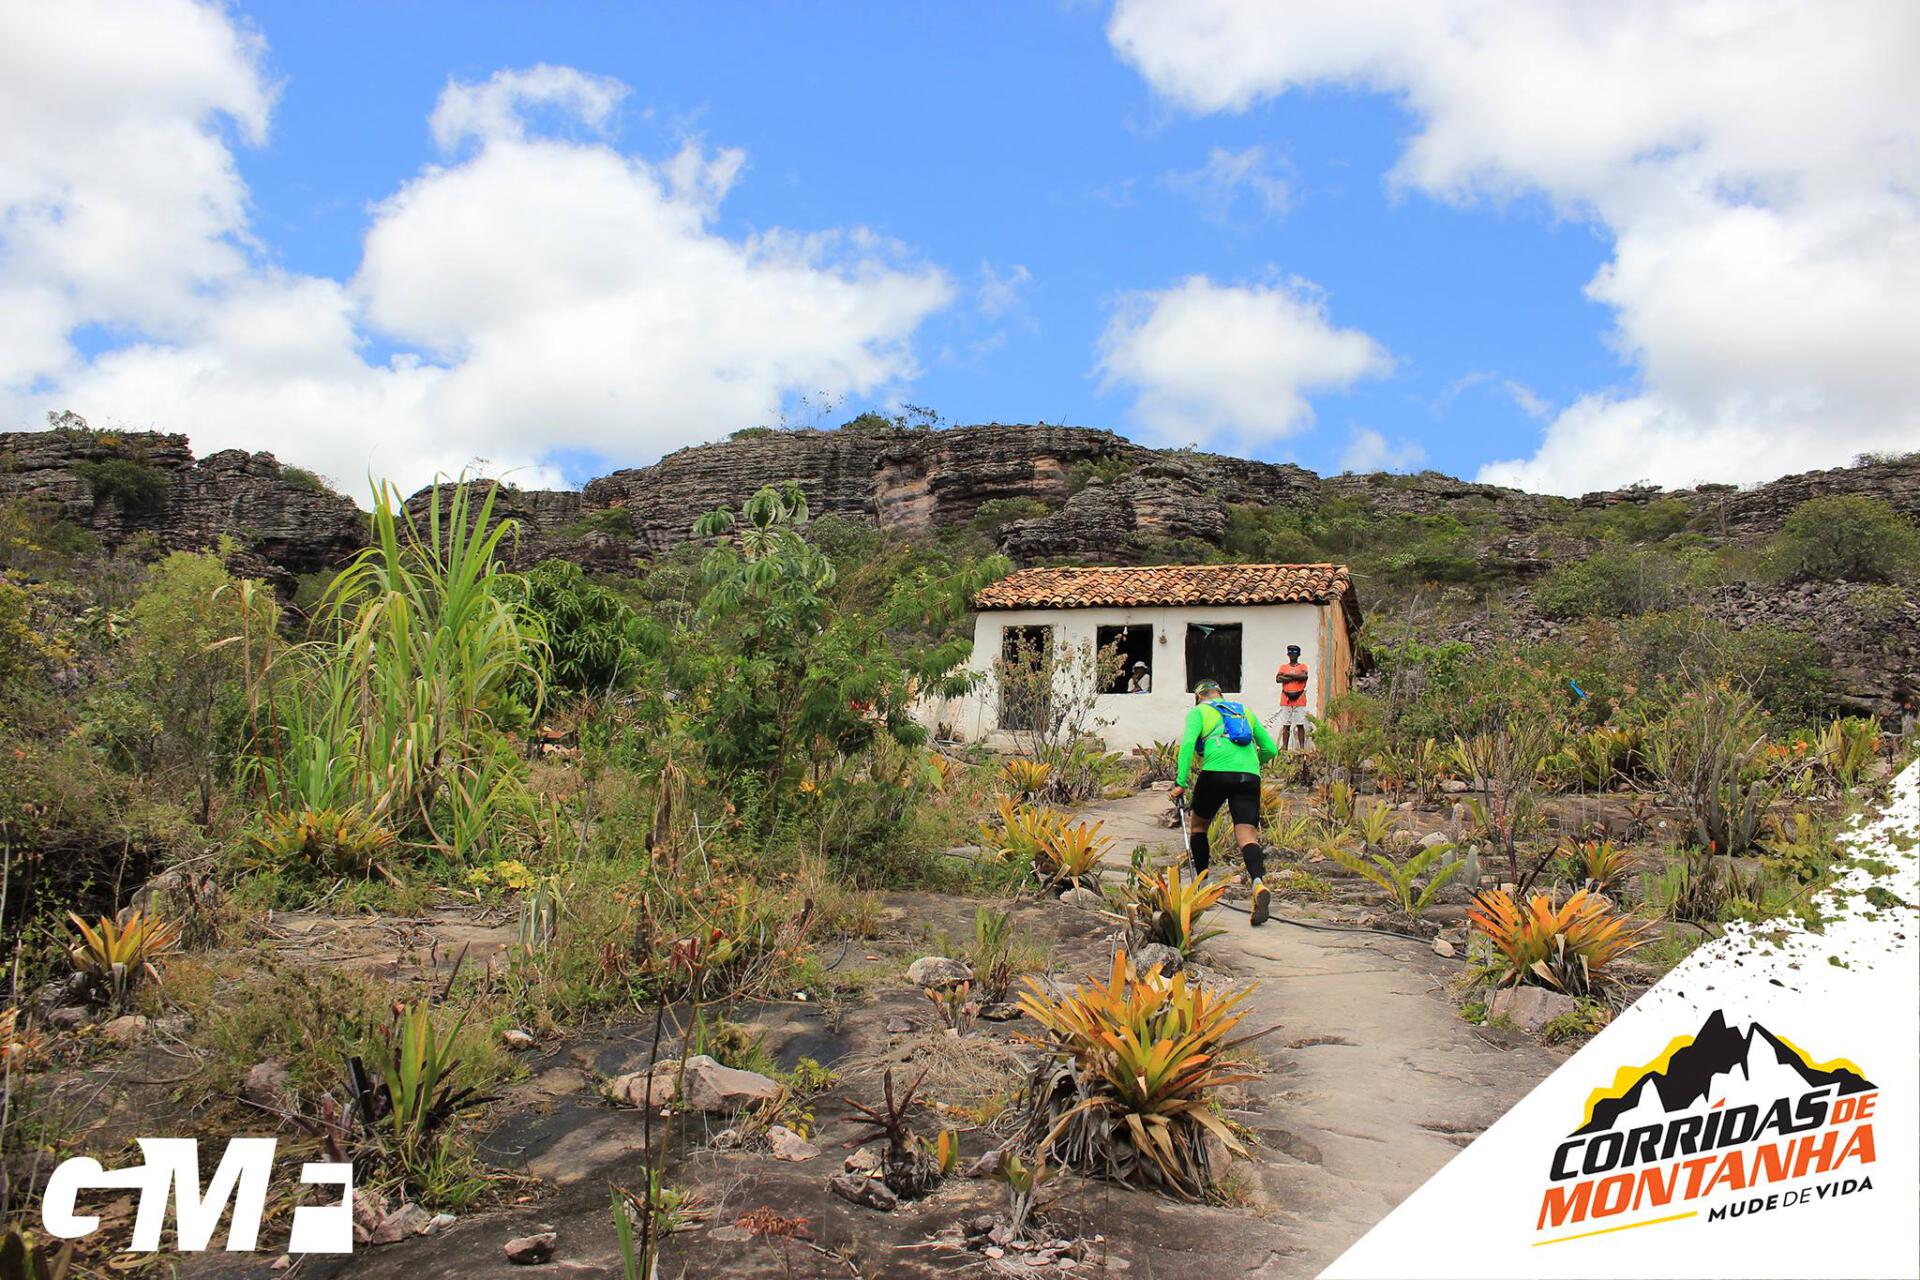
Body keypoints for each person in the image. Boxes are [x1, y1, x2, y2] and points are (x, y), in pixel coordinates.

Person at [1171, 679, 1281, 926]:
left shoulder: (1200, 712)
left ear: (1199, 696)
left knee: (1198, 826)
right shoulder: (1244, 712)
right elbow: (1271, 749)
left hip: (1216, 772)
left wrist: (1181, 782)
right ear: (1220, 694)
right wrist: (1250, 765)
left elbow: (1188, 744)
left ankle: (1202, 887)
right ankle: (1258, 884)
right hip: (1249, 775)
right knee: (1247, 835)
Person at [1273, 644, 1310, 751]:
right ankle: (1284, 747)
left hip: (1300, 699)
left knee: (1300, 724)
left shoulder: (1303, 666)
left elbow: (1304, 677)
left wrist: (1288, 676)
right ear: (1287, 654)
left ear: (1298, 654)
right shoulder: (1283, 667)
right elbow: (1278, 679)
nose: (1292, 654)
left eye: (1294, 652)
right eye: (1290, 652)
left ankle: (1302, 748)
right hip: (1286, 699)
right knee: (1286, 724)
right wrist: (1295, 677)